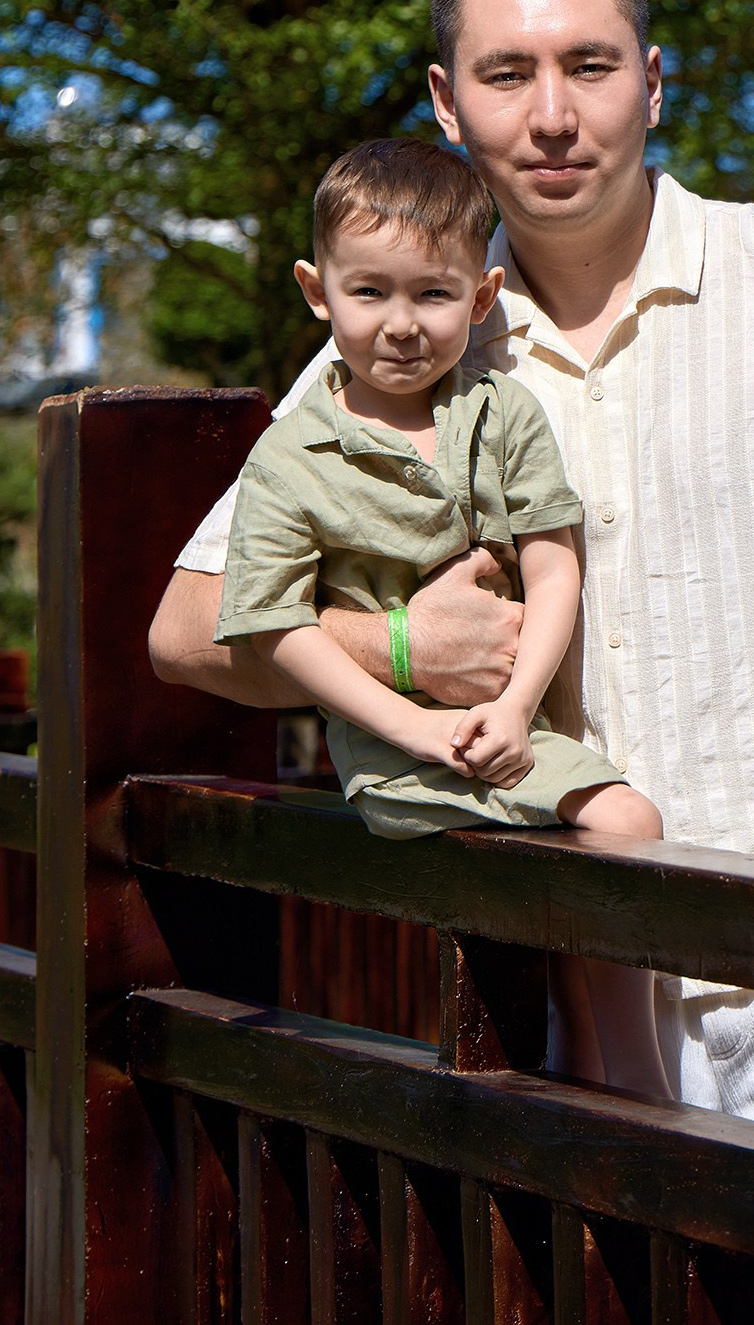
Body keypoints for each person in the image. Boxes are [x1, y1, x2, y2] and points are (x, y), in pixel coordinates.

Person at [148, 0, 754, 1140]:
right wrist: (402, 648)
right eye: (507, 76)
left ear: (655, 82)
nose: (553, 114)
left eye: (592, 66)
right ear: (447, 106)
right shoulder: (407, 344)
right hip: (558, 973)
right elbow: (187, 630)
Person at [215, 137, 668, 1094]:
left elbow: (555, 570)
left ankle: (619, 1076)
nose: (402, 323)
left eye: (432, 293)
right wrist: (413, 717)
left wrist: (513, 710)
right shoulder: (292, 457)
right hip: (393, 750)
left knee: (613, 830)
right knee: (622, 824)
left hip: (510, 728)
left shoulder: (499, 415)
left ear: (482, 295)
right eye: (369, 291)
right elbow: (274, 624)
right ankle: (635, 1091)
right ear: (316, 289)